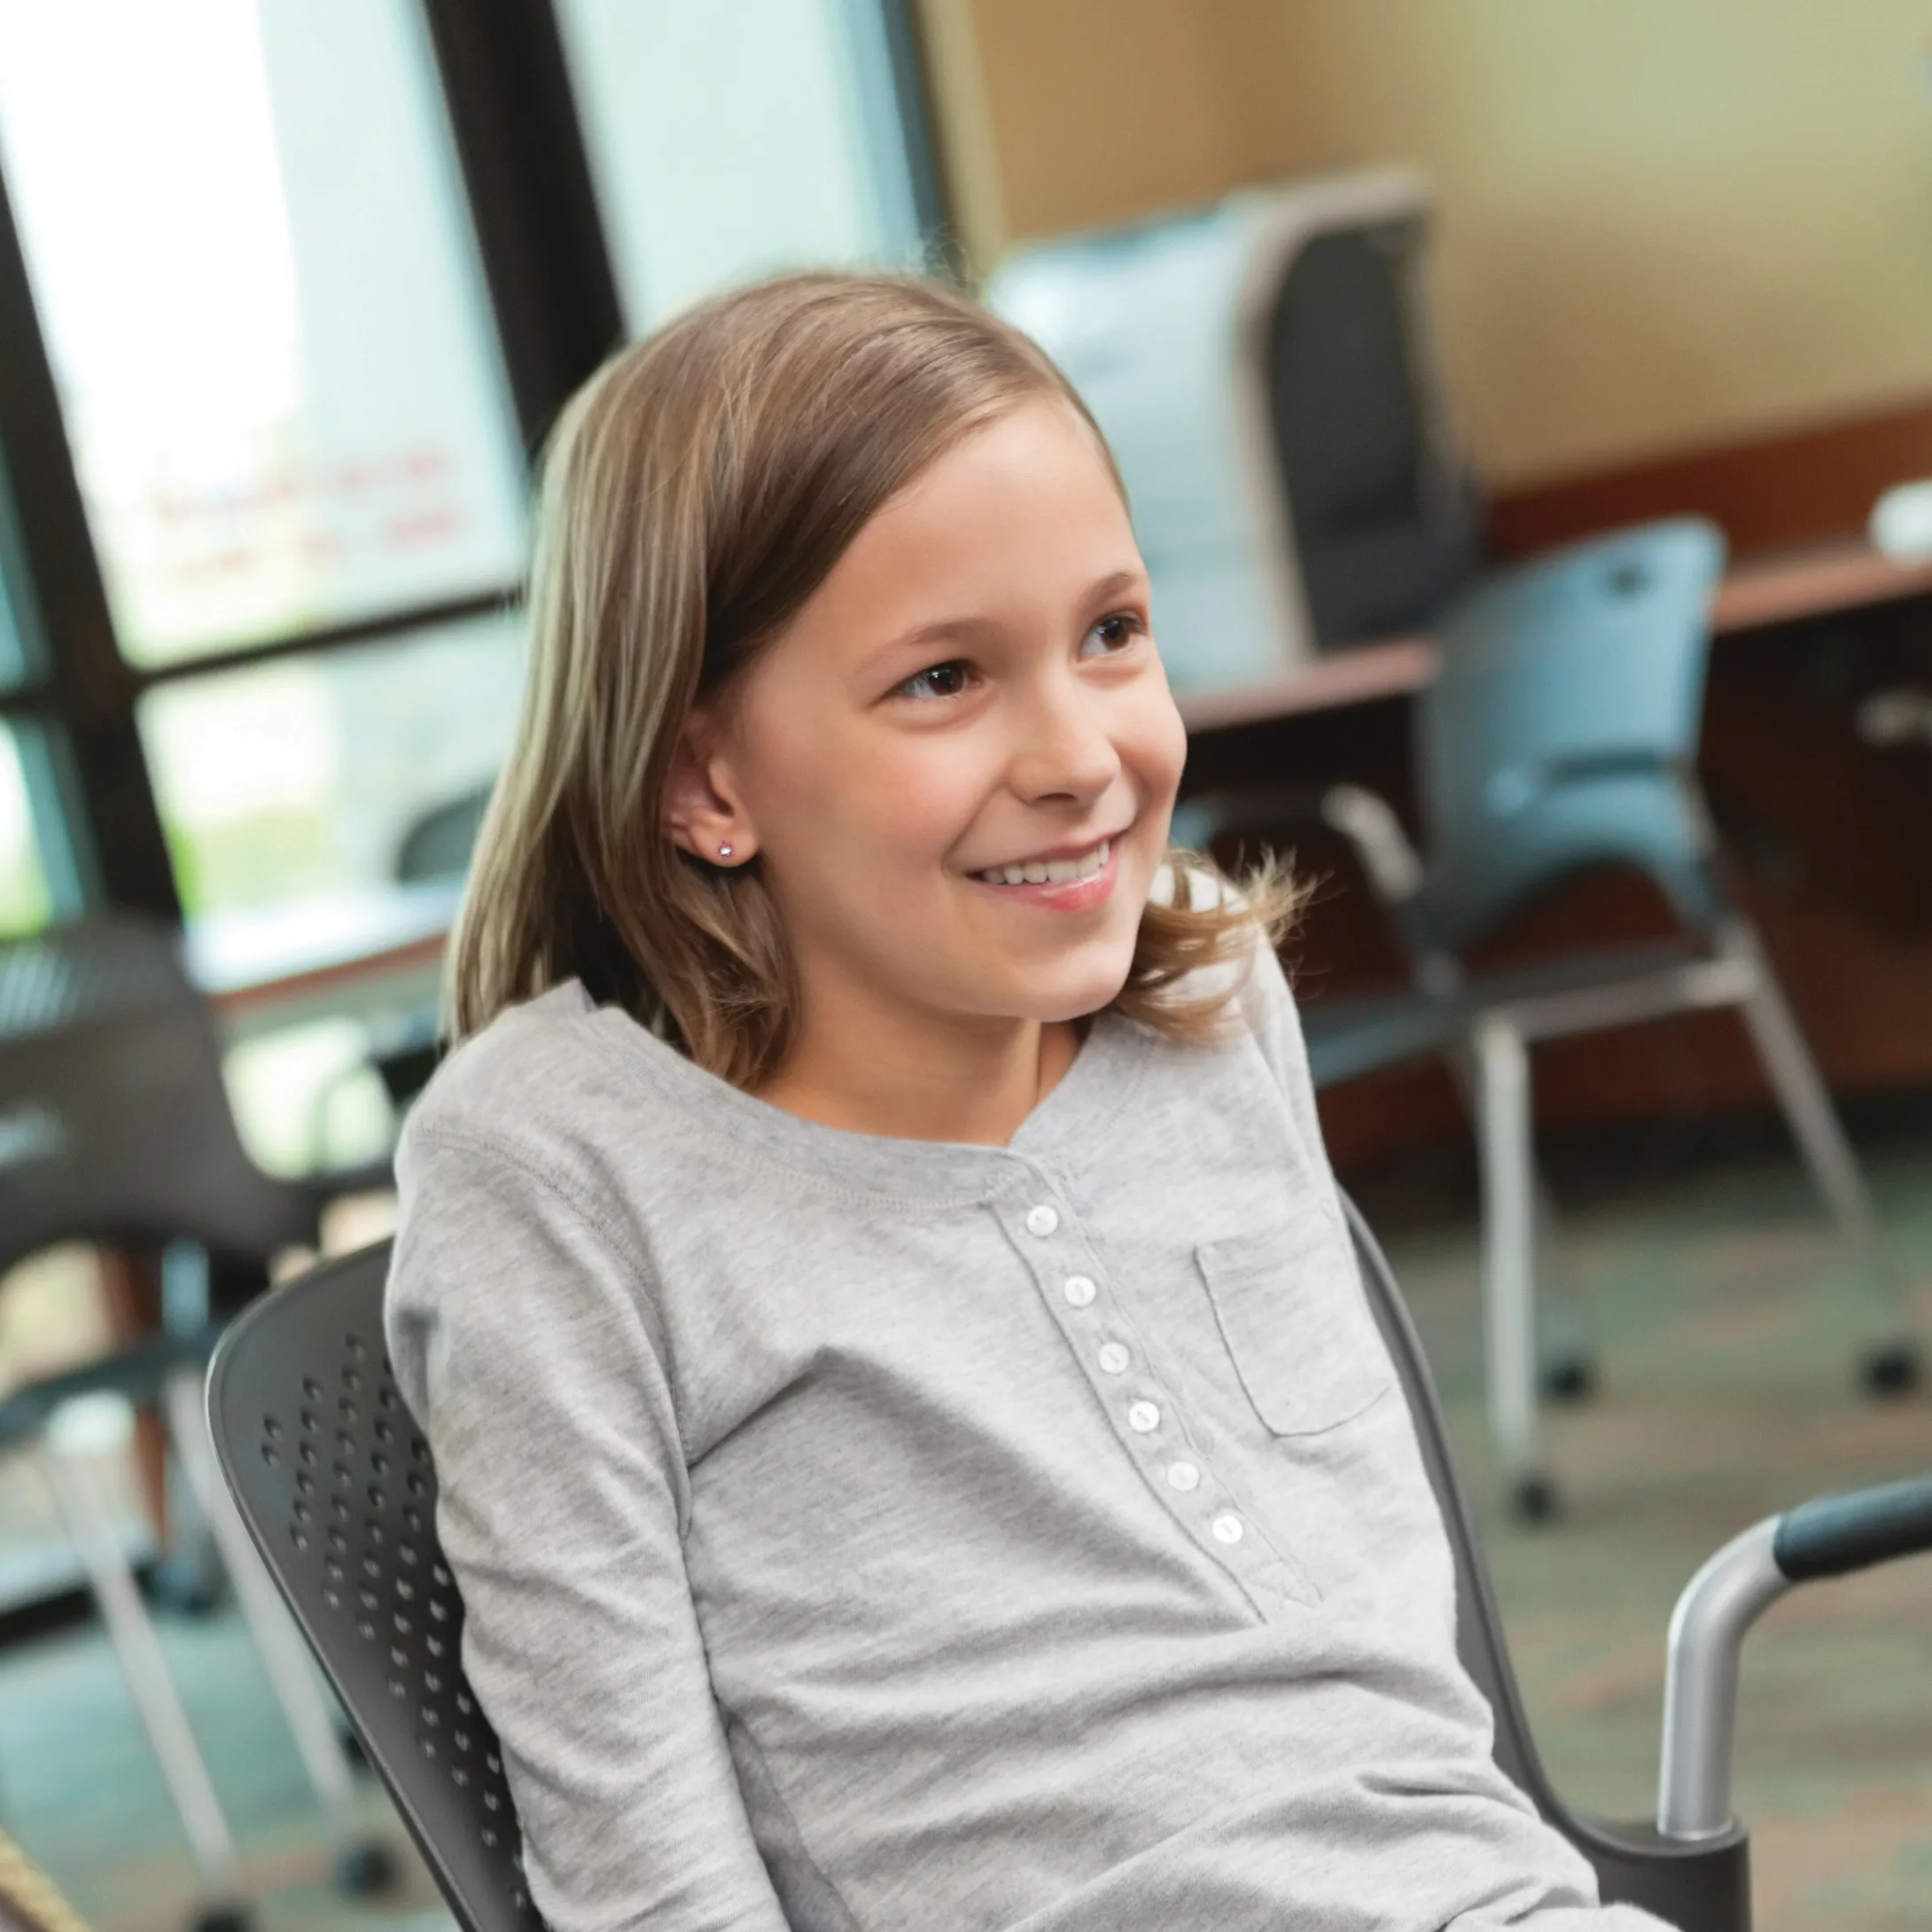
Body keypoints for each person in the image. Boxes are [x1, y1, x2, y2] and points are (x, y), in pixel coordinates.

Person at [386, 272, 1671, 1932]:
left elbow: (1386, 1699)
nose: (1082, 753)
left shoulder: (1208, 1000)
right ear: (706, 780)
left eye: (1113, 633)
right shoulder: (555, 1170)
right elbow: (648, 1893)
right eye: (944, 680)